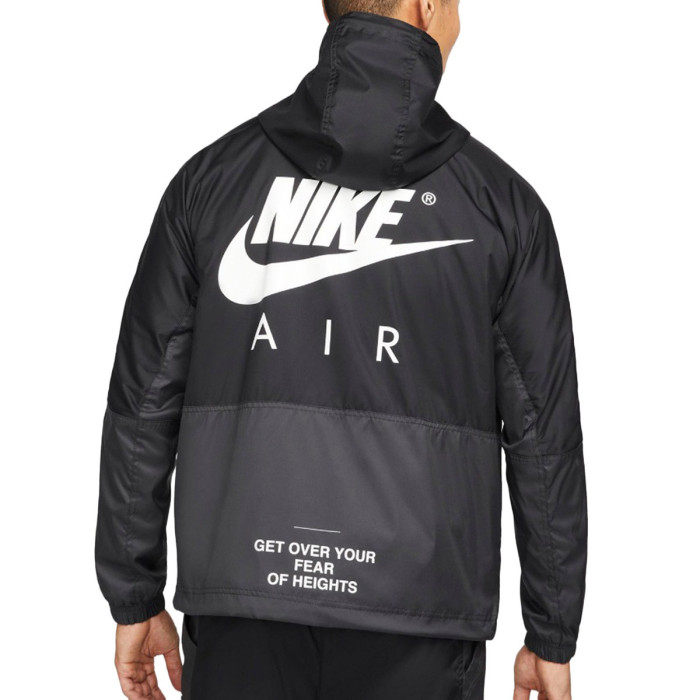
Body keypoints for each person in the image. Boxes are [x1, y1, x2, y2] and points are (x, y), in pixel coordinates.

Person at [94, 0, 588, 698]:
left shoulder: (210, 183)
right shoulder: (504, 209)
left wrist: (134, 595)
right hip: (419, 621)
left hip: (243, 609)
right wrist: (551, 632)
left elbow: (142, 403)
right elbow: (543, 438)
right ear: (426, 5)